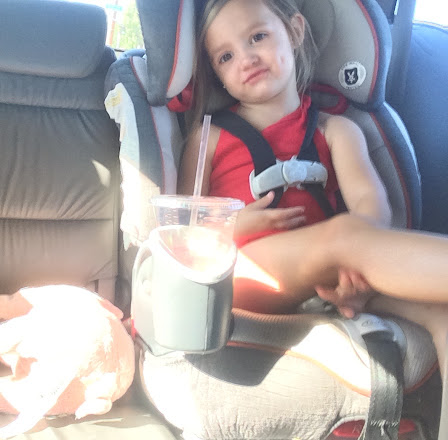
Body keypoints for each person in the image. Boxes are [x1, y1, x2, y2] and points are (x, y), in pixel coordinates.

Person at [178, 0, 448, 372]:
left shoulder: (338, 129)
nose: (246, 58)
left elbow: (372, 208)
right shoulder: (208, 137)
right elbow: (180, 230)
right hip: (243, 273)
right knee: (342, 236)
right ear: (218, 75)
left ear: (295, 31)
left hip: (334, 274)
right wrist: (231, 226)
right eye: (225, 57)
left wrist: (355, 270)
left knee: (441, 313)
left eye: (258, 37)